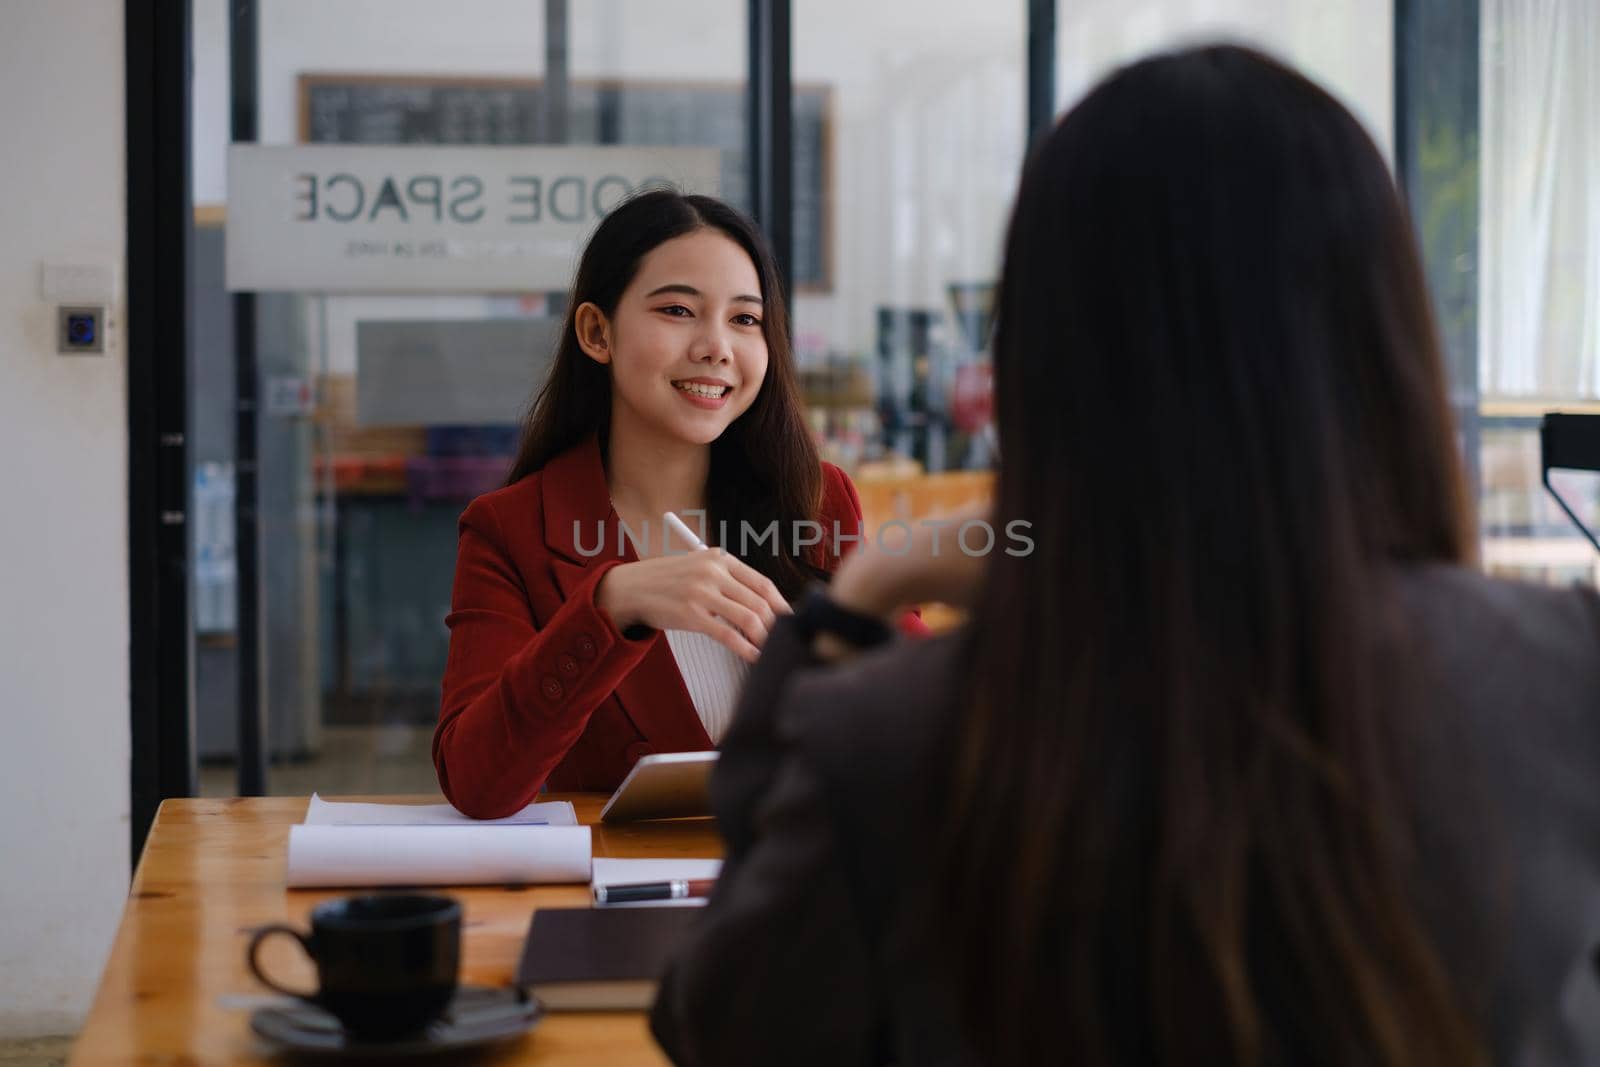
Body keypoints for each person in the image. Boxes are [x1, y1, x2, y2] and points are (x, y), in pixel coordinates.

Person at [651, 45, 1600, 1067]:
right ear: (1387, 337)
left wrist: (864, 590)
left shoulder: (894, 734)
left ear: (1045, 356)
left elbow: (720, 1021)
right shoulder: (1562, 672)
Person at [434, 190, 901, 818]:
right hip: (625, 901)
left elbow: (921, 718)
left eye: (744, 320)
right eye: (679, 310)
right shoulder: (510, 530)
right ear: (597, 332)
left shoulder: (817, 501)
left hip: (808, 890)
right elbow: (476, 784)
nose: (717, 347)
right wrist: (611, 603)